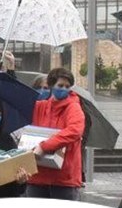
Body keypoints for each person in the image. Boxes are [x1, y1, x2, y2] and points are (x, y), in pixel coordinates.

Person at [26, 67, 85, 200]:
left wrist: (44, 146)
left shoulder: (73, 107)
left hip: (63, 179)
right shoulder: (40, 106)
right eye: (60, 85)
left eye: (67, 86)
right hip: (38, 176)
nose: (64, 89)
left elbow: (74, 130)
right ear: (52, 85)